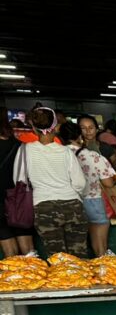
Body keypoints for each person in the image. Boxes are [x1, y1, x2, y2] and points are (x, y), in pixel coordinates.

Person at [17, 108, 88, 257]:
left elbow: (19, 179)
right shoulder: (66, 152)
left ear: (34, 128)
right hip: (72, 205)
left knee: (57, 257)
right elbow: (80, 183)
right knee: (79, 255)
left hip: (44, 207)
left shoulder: (25, 150)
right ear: (56, 127)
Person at [60, 122, 116, 256]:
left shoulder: (58, 155)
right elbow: (108, 183)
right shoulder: (92, 156)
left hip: (68, 203)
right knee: (100, 246)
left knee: (74, 246)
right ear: (80, 136)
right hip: (93, 201)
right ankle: (102, 270)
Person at [0, 116, 35, 257]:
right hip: (20, 198)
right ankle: (35, 274)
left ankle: (17, 277)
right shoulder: (20, 146)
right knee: (27, 244)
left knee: (9, 249)